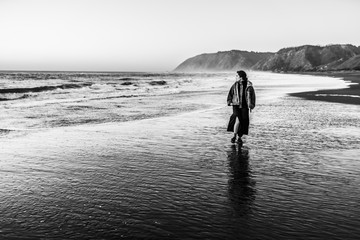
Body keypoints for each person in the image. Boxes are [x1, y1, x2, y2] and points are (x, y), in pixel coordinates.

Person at [227, 70, 256, 144]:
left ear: (241, 76)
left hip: (245, 105)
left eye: (237, 75)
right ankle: (234, 136)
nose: (236, 77)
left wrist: (252, 104)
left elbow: (253, 96)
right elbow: (231, 93)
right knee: (238, 120)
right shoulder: (235, 84)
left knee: (244, 121)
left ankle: (239, 137)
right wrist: (229, 101)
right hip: (236, 104)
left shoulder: (249, 85)